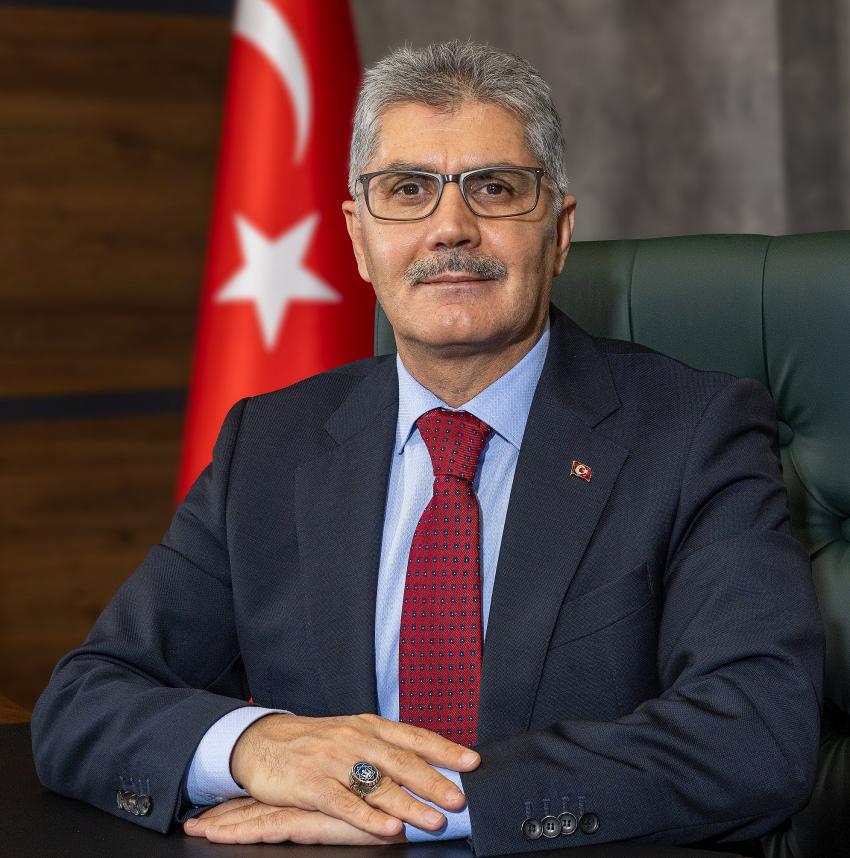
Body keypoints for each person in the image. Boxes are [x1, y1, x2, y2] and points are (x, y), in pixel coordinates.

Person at [32, 41, 823, 856]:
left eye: (495, 188)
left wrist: (421, 803)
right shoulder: (269, 444)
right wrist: (254, 747)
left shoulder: (696, 432)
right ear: (358, 238)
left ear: (558, 233)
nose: (450, 227)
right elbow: (84, 700)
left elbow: (758, 728)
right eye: (407, 190)